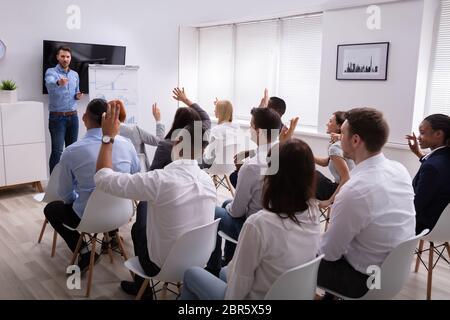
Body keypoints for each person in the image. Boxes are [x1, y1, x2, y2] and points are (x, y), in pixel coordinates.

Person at [94, 102, 216, 299]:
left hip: (161, 265)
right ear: (203, 151)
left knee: (138, 227)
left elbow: (103, 179)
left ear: (175, 143)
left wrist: (107, 138)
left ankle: (143, 291)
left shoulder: (160, 180)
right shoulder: (208, 181)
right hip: (200, 259)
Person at [180, 138, 321, 300]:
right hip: (289, 293)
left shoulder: (259, 224)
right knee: (224, 271)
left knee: (191, 274)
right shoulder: (313, 211)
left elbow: (237, 290)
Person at [318, 107, 416, 299]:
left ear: (355, 140)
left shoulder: (355, 190)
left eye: (342, 133)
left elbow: (329, 253)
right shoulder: (400, 170)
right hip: (394, 274)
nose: (338, 137)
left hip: (366, 281)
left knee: (294, 254)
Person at [43, 99, 140, 272]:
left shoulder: (72, 151)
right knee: (111, 190)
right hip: (122, 213)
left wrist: (79, 201)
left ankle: (85, 252)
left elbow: (65, 194)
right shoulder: (127, 144)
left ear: (85, 118)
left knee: (51, 209)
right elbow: (133, 176)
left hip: (88, 218)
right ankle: (111, 238)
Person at [206, 108, 298, 276]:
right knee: (227, 203)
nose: (249, 129)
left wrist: (229, 208)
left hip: (257, 229)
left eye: (250, 126)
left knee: (214, 211)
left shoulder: (251, 166)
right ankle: (231, 259)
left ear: (258, 131)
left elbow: (237, 211)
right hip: (279, 222)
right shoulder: (287, 156)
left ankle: (214, 267)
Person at [229, 89, 287, 187]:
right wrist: (250, 153)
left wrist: (242, 169)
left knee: (235, 177)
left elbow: (269, 157)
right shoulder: (276, 129)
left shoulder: (281, 135)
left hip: (267, 185)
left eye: (266, 107)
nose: (264, 110)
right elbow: (267, 149)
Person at [406, 114, 450, 234]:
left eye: (422, 133)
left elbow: (417, 205)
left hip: (425, 224)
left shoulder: (431, 167)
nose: (419, 137)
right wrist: (418, 153)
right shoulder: (444, 158)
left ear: (438, 134)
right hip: (444, 224)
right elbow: (437, 168)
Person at [149, 87, 211, 170]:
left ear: (176, 122)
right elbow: (206, 118)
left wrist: (158, 120)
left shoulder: (165, 146)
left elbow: (152, 172)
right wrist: (185, 99)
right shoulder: (200, 139)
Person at [44, 46, 83, 173]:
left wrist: (78, 96)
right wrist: (58, 83)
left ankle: (70, 180)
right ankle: (53, 184)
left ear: (70, 58)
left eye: (68, 57)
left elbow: (76, 91)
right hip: (57, 118)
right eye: (62, 56)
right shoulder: (51, 72)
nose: (65, 59)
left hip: (73, 117)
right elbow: (49, 84)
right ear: (57, 57)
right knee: (57, 151)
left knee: (72, 150)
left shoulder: (75, 75)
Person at [314, 111, 354, 209]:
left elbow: (346, 178)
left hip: (342, 192)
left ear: (340, 126)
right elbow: (325, 162)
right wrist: (307, 155)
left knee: (306, 175)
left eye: (331, 121)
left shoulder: (335, 147)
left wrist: (328, 201)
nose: (327, 123)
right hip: (346, 189)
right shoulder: (341, 144)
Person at [118, 101, 165, 171]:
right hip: (139, 174)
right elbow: (159, 141)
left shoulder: (105, 135)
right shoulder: (135, 131)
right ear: (124, 115)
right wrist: (158, 120)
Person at [203, 99, 240, 166]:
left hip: (214, 166)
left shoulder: (216, 130)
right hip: (230, 165)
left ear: (220, 112)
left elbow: (209, 154)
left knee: (196, 159)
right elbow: (230, 114)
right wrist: (222, 106)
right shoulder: (236, 127)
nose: (214, 111)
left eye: (216, 109)